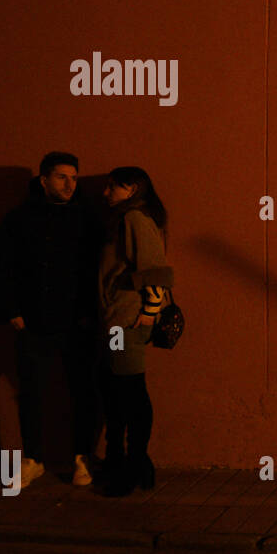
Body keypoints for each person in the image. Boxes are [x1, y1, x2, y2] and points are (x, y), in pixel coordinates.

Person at [0, 152, 104, 488]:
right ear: (43, 180)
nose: (69, 184)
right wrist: (12, 312)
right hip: (33, 321)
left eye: (74, 178)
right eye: (61, 177)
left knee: (82, 390)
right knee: (31, 392)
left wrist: (91, 314)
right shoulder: (19, 219)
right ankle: (33, 458)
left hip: (77, 322)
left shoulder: (86, 219)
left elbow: (100, 268)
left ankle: (82, 457)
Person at [96, 167, 173, 497]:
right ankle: (122, 462)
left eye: (112, 187)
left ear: (132, 189)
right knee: (117, 391)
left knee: (129, 391)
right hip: (118, 317)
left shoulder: (135, 219)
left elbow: (154, 268)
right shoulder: (126, 217)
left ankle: (133, 464)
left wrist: (149, 311)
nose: (105, 193)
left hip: (128, 319)